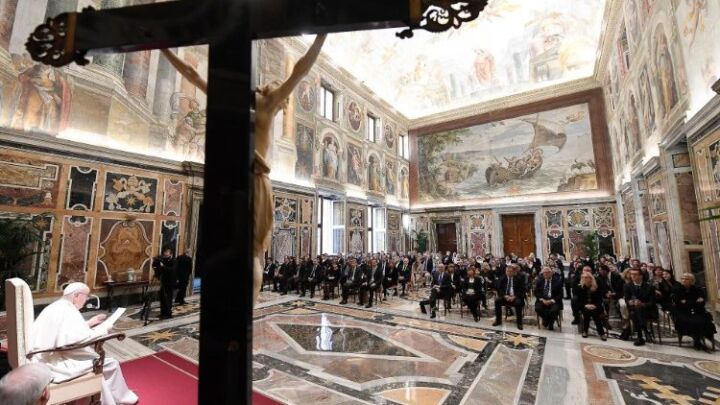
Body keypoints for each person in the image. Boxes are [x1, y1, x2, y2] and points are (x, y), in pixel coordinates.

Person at [161, 34, 328, 306]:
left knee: (249, 252)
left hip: (247, 177)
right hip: (239, 177)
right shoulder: (256, 101)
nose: (272, 84)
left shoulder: (264, 102)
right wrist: (165, 48)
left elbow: (300, 69)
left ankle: (244, 303)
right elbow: (193, 74)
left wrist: (321, 37)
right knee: (239, 250)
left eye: (276, 85)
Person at [29, 283, 138, 405]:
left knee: (102, 362)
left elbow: (66, 332)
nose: (86, 300)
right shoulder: (68, 310)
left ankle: (111, 398)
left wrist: (90, 323)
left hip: (45, 357)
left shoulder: (57, 306)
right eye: (86, 296)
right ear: (76, 296)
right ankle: (122, 399)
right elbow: (76, 341)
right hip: (57, 363)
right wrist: (104, 329)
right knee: (111, 363)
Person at [673, 273, 717, 350]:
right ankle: (697, 341)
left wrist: (687, 302)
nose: (684, 280)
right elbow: (679, 304)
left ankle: (700, 339)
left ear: (692, 281)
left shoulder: (698, 289)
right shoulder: (677, 290)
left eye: (686, 279)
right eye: (682, 279)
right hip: (683, 312)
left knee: (705, 322)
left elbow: (701, 303)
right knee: (691, 322)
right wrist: (694, 302)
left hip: (698, 311)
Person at [624, 268, 657, 346]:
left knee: (636, 312)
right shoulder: (627, 286)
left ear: (641, 276)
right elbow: (627, 299)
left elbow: (652, 302)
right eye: (631, 274)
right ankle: (645, 330)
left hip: (648, 310)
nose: (633, 276)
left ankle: (640, 337)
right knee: (635, 311)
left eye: (635, 274)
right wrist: (630, 302)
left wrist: (642, 304)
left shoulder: (649, 286)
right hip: (634, 309)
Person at [493, 264, 526, 330]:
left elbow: (522, 290)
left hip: (515, 297)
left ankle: (519, 323)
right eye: (507, 271)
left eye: (510, 271)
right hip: (505, 297)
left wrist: (514, 297)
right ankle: (498, 320)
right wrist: (505, 296)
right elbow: (499, 289)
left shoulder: (518, 279)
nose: (508, 273)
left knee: (518, 303)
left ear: (513, 272)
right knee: (497, 301)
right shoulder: (502, 278)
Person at [576, 272, 607, 340]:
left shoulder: (596, 287)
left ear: (590, 278)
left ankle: (585, 331)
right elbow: (579, 300)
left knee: (593, 311)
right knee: (588, 310)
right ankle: (601, 333)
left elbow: (600, 300)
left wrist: (594, 305)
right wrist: (586, 305)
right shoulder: (579, 287)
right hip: (584, 306)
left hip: (596, 307)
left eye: (586, 277)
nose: (584, 279)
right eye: (583, 277)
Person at [152, 248, 177, 319]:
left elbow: (172, 270)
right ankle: (163, 313)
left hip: (170, 282)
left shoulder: (174, 260)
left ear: (171, 254)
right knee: (162, 298)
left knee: (168, 298)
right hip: (163, 281)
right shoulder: (163, 260)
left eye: (167, 252)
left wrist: (163, 266)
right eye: (164, 252)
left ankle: (168, 314)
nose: (165, 253)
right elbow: (157, 267)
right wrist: (156, 263)